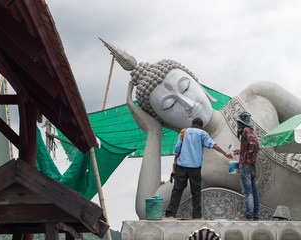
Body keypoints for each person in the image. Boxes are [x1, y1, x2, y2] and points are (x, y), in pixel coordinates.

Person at [100, 38, 301, 220]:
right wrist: (153, 134)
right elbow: (147, 210)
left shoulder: (258, 96)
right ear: (167, 123)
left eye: (186, 87)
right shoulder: (198, 165)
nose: (188, 104)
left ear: (199, 84)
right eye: (170, 106)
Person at [165, 118, 232, 219]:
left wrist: (175, 163)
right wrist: (225, 153)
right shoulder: (202, 133)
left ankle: (170, 214)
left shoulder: (183, 132)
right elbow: (213, 145)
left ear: (192, 124)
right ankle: (197, 215)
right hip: (195, 167)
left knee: (177, 190)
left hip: (182, 165)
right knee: (196, 191)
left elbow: (177, 148)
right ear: (201, 126)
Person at [233, 111, 260, 220]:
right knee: (253, 191)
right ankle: (255, 214)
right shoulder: (251, 131)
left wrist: (248, 158)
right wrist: (241, 151)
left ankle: (249, 215)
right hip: (252, 167)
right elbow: (252, 145)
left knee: (248, 191)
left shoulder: (245, 130)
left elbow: (254, 144)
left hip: (246, 165)